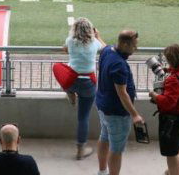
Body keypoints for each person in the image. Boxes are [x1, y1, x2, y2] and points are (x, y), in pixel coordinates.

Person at [56, 18, 105, 160]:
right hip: (88, 83)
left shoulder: (70, 41)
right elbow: (105, 48)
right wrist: (98, 36)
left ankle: (70, 92)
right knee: (83, 118)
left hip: (71, 80)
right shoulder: (95, 43)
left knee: (58, 68)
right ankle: (80, 150)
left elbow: (64, 48)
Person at [96, 30, 143, 175]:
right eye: (134, 45)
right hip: (117, 113)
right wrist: (135, 115)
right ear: (124, 44)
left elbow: (103, 45)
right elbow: (122, 93)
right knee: (116, 149)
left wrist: (98, 37)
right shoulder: (119, 65)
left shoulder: (107, 51)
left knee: (104, 137)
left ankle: (102, 171)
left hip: (103, 106)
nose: (136, 48)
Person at [148, 44, 179, 175]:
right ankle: (173, 171)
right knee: (178, 145)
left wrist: (155, 95)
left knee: (170, 152)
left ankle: (174, 171)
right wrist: (169, 70)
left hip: (172, 121)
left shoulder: (174, 80)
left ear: (172, 60)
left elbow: (168, 103)